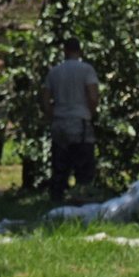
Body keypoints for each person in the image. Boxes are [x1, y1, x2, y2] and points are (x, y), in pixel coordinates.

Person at [42, 37, 99, 202]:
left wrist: (52, 114)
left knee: (60, 164)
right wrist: (90, 113)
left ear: (64, 51)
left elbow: (45, 99)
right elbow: (93, 96)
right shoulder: (86, 70)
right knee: (83, 164)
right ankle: (82, 197)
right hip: (79, 121)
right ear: (79, 51)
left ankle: (56, 198)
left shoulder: (55, 71)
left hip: (59, 122)